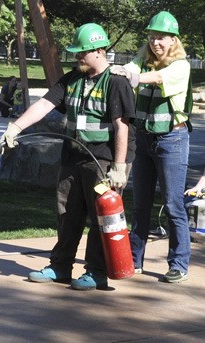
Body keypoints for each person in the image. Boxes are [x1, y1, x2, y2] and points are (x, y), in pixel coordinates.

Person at [0, 23, 135, 291]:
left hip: (105, 161)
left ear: (99, 50)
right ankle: (60, 266)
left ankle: (96, 271)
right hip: (74, 155)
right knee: (67, 212)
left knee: (101, 216)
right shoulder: (72, 79)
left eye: (81, 53)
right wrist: (16, 126)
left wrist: (119, 167)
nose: (77, 57)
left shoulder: (116, 83)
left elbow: (122, 126)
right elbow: (44, 104)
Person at [111, 11, 193, 283]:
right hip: (144, 140)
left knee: (172, 205)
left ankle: (178, 264)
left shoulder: (181, 66)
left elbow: (157, 78)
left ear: (173, 41)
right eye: (152, 37)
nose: (156, 42)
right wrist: (125, 71)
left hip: (172, 140)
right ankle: (135, 259)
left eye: (162, 38)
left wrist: (130, 76)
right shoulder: (142, 59)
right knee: (140, 205)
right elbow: (132, 68)